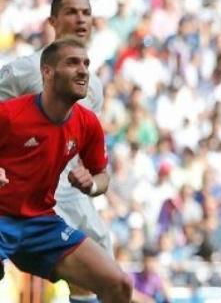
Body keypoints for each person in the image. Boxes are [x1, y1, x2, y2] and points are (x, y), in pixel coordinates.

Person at [0, 38, 132, 302]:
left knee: (119, 285)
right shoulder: (9, 114)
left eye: (86, 64)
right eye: (72, 63)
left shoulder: (87, 124)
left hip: (41, 223)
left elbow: (102, 176)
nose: (83, 70)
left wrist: (92, 184)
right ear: (47, 72)